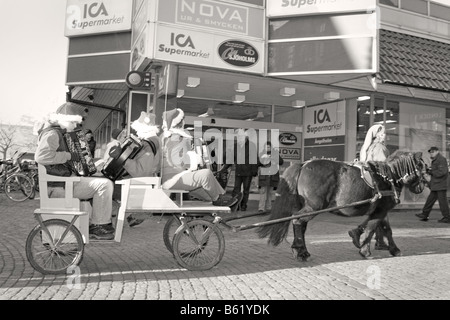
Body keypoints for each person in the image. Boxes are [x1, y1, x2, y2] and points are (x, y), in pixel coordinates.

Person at [34, 113, 115, 240]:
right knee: (105, 185)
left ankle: (90, 224)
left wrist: (89, 166)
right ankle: (99, 225)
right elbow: (42, 157)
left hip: (61, 183)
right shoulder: (53, 134)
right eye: (73, 122)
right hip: (59, 186)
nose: (76, 125)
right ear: (65, 120)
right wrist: (69, 156)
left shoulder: (58, 133)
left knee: (100, 182)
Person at [160, 108, 240, 208]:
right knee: (205, 174)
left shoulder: (169, 137)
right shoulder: (176, 137)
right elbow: (176, 161)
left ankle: (218, 199)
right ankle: (218, 199)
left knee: (207, 196)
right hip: (175, 178)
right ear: (179, 122)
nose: (184, 122)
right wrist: (194, 159)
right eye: (183, 120)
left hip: (173, 177)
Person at [109, 112, 162, 227]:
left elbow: (141, 171)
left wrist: (123, 159)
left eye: (137, 129)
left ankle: (108, 221)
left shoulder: (148, 144)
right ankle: (123, 218)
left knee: (107, 187)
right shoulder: (152, 141)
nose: (136, 132)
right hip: (144, 182)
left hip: (141, 183)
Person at [348, 124, 390, 250]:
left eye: (384, 133)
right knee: (380, 214)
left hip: (371, 182)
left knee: (381, 214)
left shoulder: (370, 146)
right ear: (377, 135)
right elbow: (383, 166)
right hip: (379, 183)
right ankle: (361, 233)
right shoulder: (380, 148)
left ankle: (380, 240)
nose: (385, 135)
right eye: (382, 133)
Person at [219, 129, 259, 211]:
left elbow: (255, 159)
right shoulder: (236, 146)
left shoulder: (251, 146)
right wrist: (223, 169)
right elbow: (231, 158)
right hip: (239, 171)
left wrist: (254, 172)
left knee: (246, 190)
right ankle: (235, 205)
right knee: (236, 189)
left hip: (248, 172)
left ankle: (243, 205)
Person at [415, 146, 450, 223]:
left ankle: (447, 217)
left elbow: (442, 172)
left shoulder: (441, 159)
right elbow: (438, 170)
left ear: (437, 151)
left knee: (442, 202)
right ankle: (425, 214)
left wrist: (431, 172)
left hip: (440, 185)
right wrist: (429, 170)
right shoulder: (436, 160)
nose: (431, 153)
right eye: (430, 152)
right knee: (430, 200)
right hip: (436, 184)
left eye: (433, 152)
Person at [258, 141, 284, 214]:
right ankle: (261, 209)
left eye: (269, 147)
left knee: (270, 193)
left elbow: (281, 162)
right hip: (264, 176)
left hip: (272, 177)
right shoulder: (261, 154)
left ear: (271, 147)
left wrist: (273, 158)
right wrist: (263, 158)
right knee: (263, 193)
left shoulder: (275, 153)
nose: (267, 148)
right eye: (266, 147)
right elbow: (257, 163)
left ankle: (269, 208)